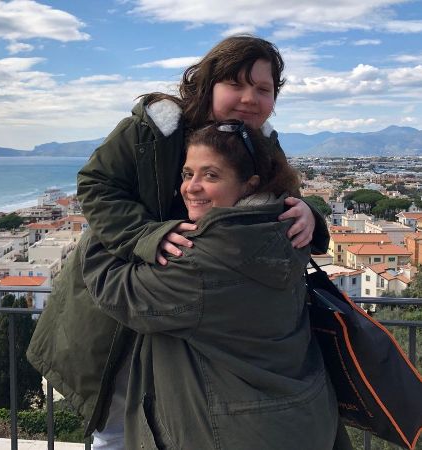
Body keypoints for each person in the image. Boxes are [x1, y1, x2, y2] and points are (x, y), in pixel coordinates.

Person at [27, 35, 331, 447]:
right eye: (235, 84)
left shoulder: (261, 145)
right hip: (123, 313)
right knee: (118, 427)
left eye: (263, 89)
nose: (249, 98)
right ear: (208, 84)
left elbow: (280, 191)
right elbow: (95, 185)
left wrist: (308, 211)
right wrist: (147, 235)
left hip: (198, 323)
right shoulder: (152, 131)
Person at [80, 122, 341, 449]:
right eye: (187, 174)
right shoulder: (285, 228)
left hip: (241, 432)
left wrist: (104, 224)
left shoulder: (206, 263)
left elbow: (116, 288)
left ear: (249, 185)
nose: (192, 187)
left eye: (211, 175)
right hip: (304, 415)